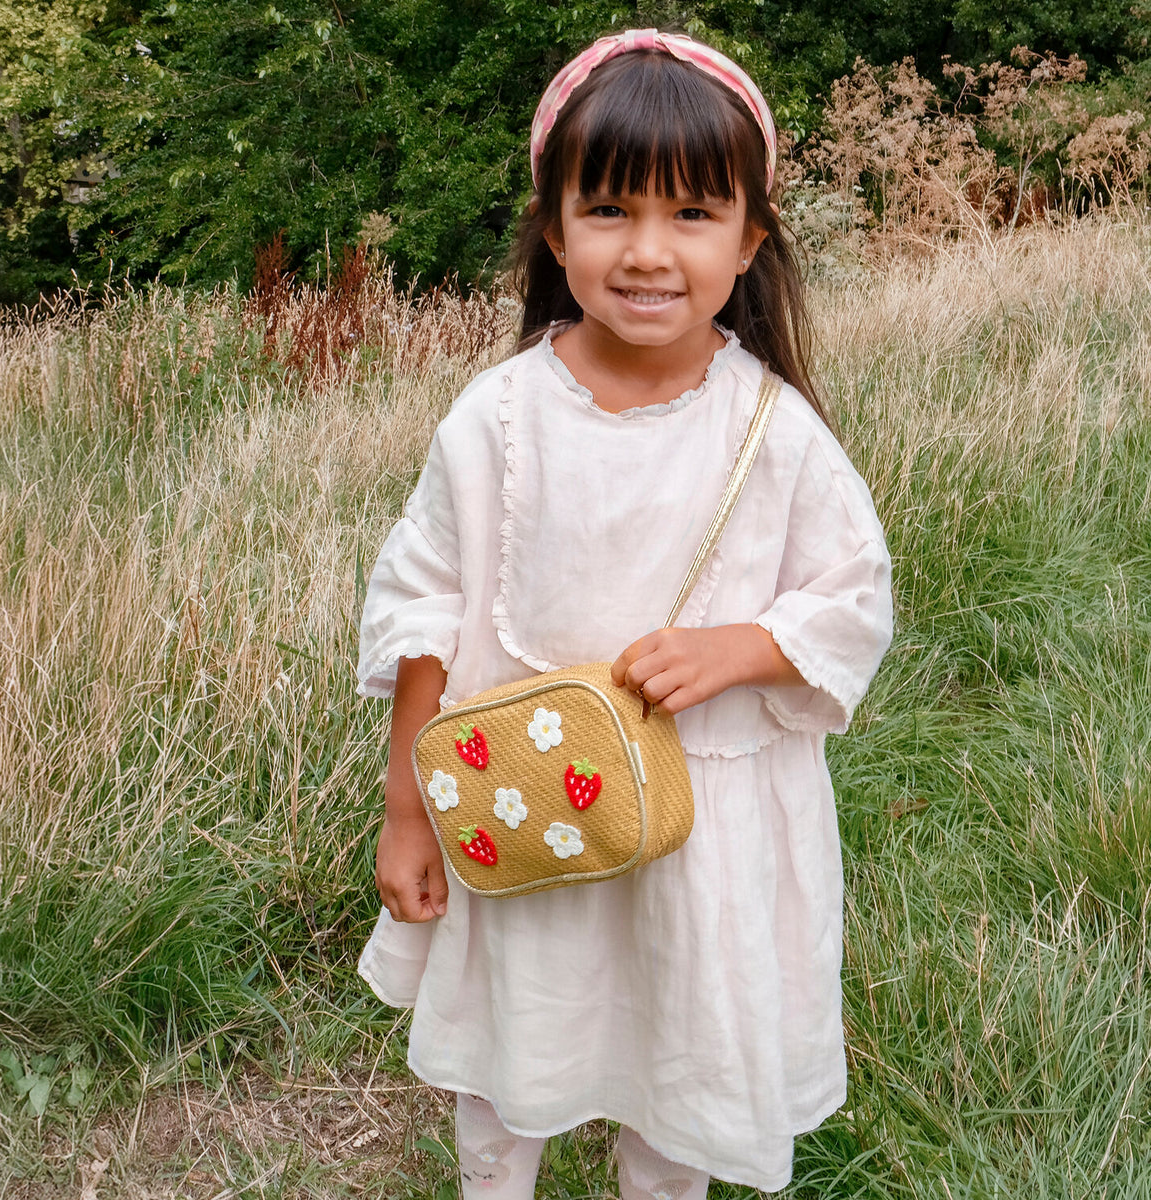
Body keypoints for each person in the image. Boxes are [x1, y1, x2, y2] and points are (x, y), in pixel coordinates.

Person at [355, 28, 893, 1198]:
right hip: (526, 812)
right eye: (609, 210)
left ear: (749, 239)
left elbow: (855, 595)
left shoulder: (775, 431)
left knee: (679, 1064)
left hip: (705, 836)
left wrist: (741, 649)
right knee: (510, 1061)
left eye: (693, 214)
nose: (649, 252)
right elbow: (421, 611)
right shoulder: (497, 418)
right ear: (555, 231)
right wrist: (407, 813)